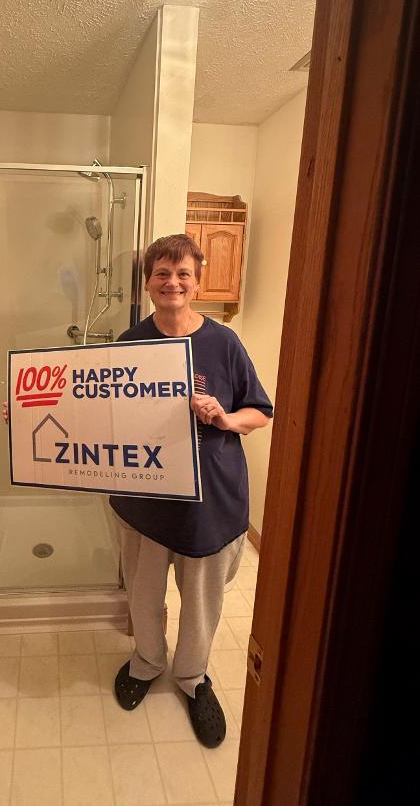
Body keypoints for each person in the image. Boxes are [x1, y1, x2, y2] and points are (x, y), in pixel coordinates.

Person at [111, 233, 272, 748]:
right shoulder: (130, 343)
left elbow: (260, 411)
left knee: (202, 601)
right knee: (143, 593)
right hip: (144, 501)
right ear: (148, 283)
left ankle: (192, 677)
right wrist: (32, 418)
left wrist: (224, 418)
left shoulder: (224, 343)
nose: (173, 282)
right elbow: (97, 414)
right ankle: (146, 661)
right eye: (162, 273)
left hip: (210, 500)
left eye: (183, 273)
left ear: (197, 282)